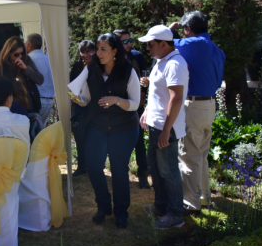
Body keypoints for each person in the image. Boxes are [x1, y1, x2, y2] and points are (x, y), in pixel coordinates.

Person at [72, 33, 140, 229]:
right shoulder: (91, 69)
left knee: (119, 171)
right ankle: (103, 206)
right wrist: (78, 100)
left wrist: (116, 100)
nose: (98, 53)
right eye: (98, 49)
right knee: (93, 167)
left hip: (124, 128)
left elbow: (135, 104)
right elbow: (86, 98)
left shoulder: (128, 71)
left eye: (104, 49)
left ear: (115, 51)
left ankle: (121, 212)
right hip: (97, 126)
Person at [168, 11, 225, 214]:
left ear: (188, 29)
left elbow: (164, 44)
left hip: (194, 105)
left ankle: (190, 203)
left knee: (188, 155)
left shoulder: (192, 44)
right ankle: (204, 197)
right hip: (209, 104)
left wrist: (170, 29)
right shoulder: (215, 48)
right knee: (200, 154)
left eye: (184, 29)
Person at [138, 25, 189, 230]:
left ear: (164, 44)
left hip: (167, 127)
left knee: (168, 170)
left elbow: (176, 99)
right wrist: (147, 110)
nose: (148, 48)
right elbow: (158, 93)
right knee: (155, 167)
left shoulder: (175, 64)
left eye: (151, 44)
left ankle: (175, 214)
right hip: (156, 124)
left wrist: (167, 130)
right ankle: (161, 207)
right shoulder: (162, 61)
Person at [114, 28, 151, 189]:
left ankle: (143, 174)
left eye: (130, 40)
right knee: (119, 142)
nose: (129, 44)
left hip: (137, 106)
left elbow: (144, 77)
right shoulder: (112, 59)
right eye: (125, 41)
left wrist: (143, 93)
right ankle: (121, 173)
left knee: (139, 141)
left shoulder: (137, 56)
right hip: (119, 106)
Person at [0, 36, 44, 115]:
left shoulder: (27, 59)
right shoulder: (0, 67)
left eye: (22, 53)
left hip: (32, 107)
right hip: (15, 109)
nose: (20, 56)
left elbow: (40, 79)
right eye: (16, 54)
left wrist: (26, 68)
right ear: (8, 53)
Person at [70, 40, 96, 177]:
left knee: (93, 137)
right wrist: (73, 97)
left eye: (88, 51)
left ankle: (94, 166)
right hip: (80, 106)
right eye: (83, 52)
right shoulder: (76, 67)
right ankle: (81, 167)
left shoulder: (98, 66)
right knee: (80, 136)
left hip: (95, 108)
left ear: (94, 51)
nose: (86, 55)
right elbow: (71, 86)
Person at [25, 33, 56, 126]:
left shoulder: (29, 59)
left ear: (30, 45)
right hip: (49, 101)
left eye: (26, 43)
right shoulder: (49, 60)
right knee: (40, 131)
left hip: (36, 102)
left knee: (31, 131)